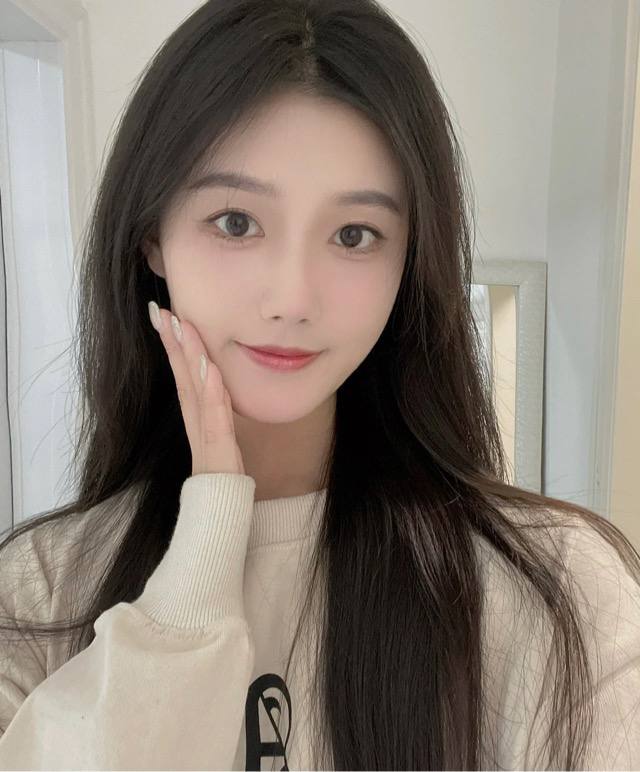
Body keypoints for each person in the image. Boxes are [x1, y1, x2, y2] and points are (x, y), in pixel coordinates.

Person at [0, 0, 639, 768]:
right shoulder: (36, 594)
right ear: (151, 238)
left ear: (409, 259)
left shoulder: (562, 596)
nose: (293, 299)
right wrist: (204, 551)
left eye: (354, 235)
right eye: (236, 222)